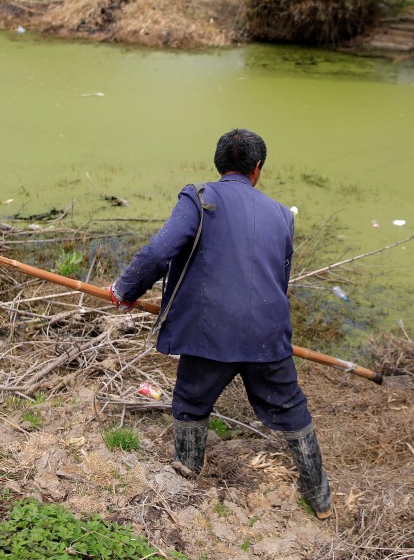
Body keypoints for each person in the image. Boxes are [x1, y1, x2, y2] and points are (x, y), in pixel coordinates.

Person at [108, 128, 331, 520]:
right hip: (267, 335)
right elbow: (279, 279)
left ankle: (186, 475)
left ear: (219, 163)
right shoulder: (281, 214)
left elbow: (159, 251)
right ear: (257, 169)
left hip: (210, 333)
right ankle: (321, 499)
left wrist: (125, 289)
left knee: (191, 403)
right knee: (293, 410)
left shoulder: (199, 198)